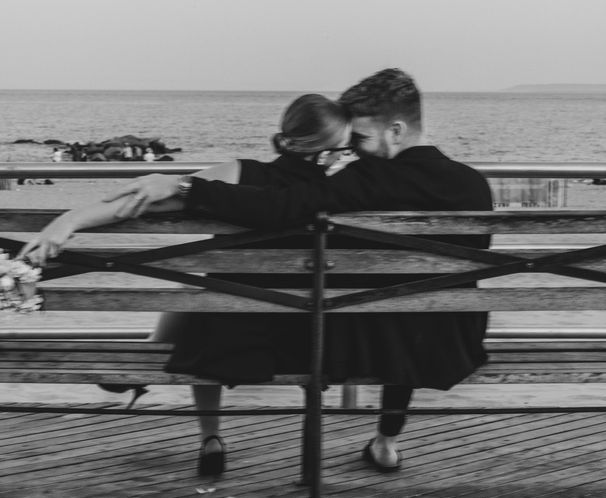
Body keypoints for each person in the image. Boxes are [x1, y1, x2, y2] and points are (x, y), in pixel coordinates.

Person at [102, 69, 493, 473]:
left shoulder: (365, 180)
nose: (354, 151)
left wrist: (186, 187)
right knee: (416, 304)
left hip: (358, 345)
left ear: (395, 130)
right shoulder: (474, 187)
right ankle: (386, 440)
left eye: (359, 139)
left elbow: (278, 207)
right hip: (449, 345)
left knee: (226, 292)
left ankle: (196, 411)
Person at [19, 94, 353, 476]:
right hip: (311, 341)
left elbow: (145, 202)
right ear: (329, 152)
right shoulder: (344, 192)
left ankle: (210, 435)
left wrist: (71, 219)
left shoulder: (238, 175)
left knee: (202, 298)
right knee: (218, 300)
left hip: (225, 341)